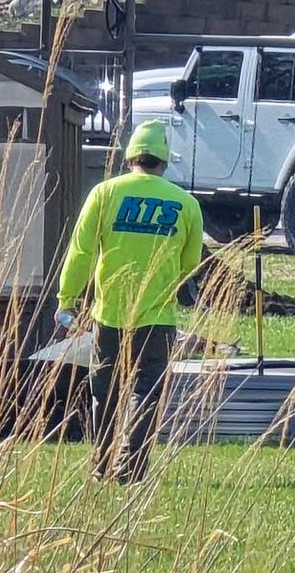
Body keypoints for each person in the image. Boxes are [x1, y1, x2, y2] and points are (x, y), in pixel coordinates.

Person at [56, 119, 204, 483]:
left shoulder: (104, 194)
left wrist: (67, 301)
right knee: (146, 393)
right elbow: (190, 266)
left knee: (103, 394)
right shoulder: (186, 204)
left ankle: (101, 465)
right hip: (157, 319)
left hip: (109, 316)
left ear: (130, 157)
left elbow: (81, 253)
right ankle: (130, 469)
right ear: (164, 161)